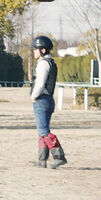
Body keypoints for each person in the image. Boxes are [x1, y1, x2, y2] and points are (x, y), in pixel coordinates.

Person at [30, 35, 66, 168]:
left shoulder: (43, 64)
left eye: (36, 49)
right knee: (42, 131)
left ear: (43, 50)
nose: (34, 51)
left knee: (44, 131)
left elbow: (40, 83)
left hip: (42, 100)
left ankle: (59, 156)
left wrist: (34, 96)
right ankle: (42, 160)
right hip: (48, 99)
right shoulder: (51, 62)